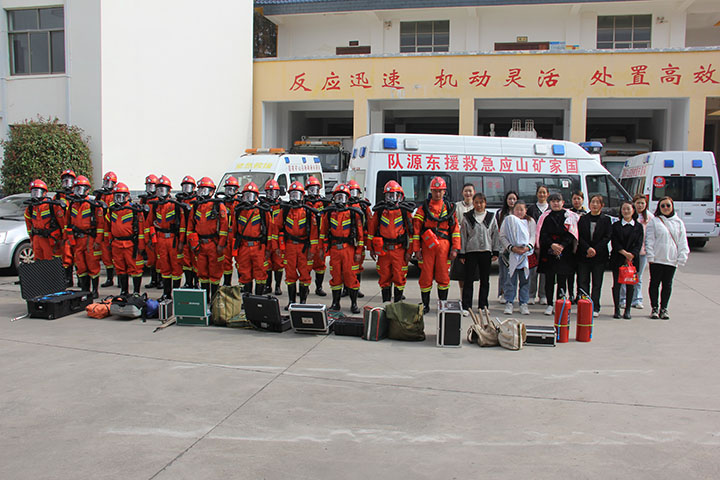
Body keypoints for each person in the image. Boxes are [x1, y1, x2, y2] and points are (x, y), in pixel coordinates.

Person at [412, 177, 461, 313]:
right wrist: (416, 249)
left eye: (440, 191)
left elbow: (455, 230)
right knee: (425, 276)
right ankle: (425, 305)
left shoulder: (449, 208)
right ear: (431, 191)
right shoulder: (423, 208)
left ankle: (443, 305)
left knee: (443, 276)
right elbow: (416, 230)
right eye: (435, 191)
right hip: (427, 246)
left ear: (444, 191)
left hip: (444, 247)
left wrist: (455, 248)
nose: (438, 193)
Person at [319, 184, 364, 314]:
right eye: (338, 197)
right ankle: (335, 303)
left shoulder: (353, 213)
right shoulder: (329, 213)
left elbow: (360, 235)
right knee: (336, 277)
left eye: (342, 197)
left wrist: (358, 251)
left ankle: (354, 304)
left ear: (347, 198)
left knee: (351, 276)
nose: (340, 200)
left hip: (349, 249)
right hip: (335, 249)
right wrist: (322, 249)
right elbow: (323, 232)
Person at [368, 181, 415, 303]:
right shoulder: (379, 211)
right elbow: (371, 231)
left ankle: (398, 305)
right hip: (383, 250)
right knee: (384, 277)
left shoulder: (405, 211)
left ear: (401, 196)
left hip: (399, 250)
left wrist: (409, 252)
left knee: (399, 277)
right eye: (389, 196)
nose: (392, 199)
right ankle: (386, 304)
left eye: (395, 196)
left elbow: (411, 234)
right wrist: (371, 248)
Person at [274, 181, 319, 309]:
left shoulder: (308, 212)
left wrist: (312, 250)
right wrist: (276, 247)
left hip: (304, 248)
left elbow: (314, 234)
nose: (294, 198)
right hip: (289, 247)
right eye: (292, 195)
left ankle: (303, 302)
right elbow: (275, 228)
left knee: (305, 275)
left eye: (297, 195)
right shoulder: (285, 211)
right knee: (290, 274)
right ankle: (291, 301)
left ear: (302, 196)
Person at [184, 177, 229, 304]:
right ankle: (205, 299)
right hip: (200, 244)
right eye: (201, 190)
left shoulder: (218, 206)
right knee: (202, 272)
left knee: (215, 272)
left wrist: (221, 244)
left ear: (212, 191)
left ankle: (214, 299)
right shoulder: (196, 206)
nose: (203, 193)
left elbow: (224, 227)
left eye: (205, 190)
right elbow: (190, 225)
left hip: (214, 244)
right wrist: (192, 243)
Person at [645, 196, 689, 320]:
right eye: (662, 206)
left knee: (667, 284)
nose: (665, 208)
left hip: (671, 259)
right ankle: (654, 307)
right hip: (657, 258)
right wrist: (650, 255)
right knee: (654, 283)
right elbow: (649, 240)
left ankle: (664, 308)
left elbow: (682, 241)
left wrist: (682, 256)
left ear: (672, 206)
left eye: (668, 205)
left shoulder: (678, 222)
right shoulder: (655, 221)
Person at [536, 193, 579, 316]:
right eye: (553, 201)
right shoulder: (545, 217)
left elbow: (571, 233)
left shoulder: (569, 216)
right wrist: (552, 245)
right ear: (549, 203)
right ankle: (550, 304)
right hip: (549, 251)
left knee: (562, 279)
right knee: (549, 280)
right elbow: (542, 234)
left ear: (563, 202)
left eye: (558, 201)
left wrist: (562, 246)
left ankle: (560, 303)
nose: (555, 203)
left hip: (565, 252)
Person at [64, 175, 105, 298]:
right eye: (76, 189)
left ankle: (94, 290)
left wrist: (98, 240)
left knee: (93, 265)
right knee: (80, 266)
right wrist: (69, 239)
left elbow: (101, 224)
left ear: (87, 190)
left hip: (90, 240)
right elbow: (67, 223)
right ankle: (84, 290)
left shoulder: (93, 205)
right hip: (77, 240)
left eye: (81, 189)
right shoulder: (72, 205)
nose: (78, 192)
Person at [459, 192, 499, 312]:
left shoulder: (491, 217)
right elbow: (463, 236)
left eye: (481, 202)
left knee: (485, 280)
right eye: (476, 202)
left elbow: (495, 235)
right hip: (471, 252)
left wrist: (495, 251)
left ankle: (483, 305)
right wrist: (462, 253)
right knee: (468, 280)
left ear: (485, 203)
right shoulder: (467, 217)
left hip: (486, 251)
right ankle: (466, 306)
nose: (479, 205)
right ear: (473, 203)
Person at [148, 176, 185, 300]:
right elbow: (149, 223)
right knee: (164, 266)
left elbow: (182, 226)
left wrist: (181, 241)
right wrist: (151, 239)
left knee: (176, 267)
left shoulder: (175, 205)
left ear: (169, 191)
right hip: (161, 240)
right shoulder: (155, 206)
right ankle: (166, 293)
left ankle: (176, 294)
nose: (160, 192)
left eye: (163, 189)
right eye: (158, 189)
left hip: (173, 240)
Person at [233, 182, 273, 295]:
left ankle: (258, 298)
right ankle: (247, 298)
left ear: (256, 197)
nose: (248, 199)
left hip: (258, 247)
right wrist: (235, 249)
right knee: (245, 273)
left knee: (260, 273)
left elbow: (270, 231)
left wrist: (268, 249)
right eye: (246, 196)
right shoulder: (239, 211)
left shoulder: (262, 211)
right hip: (243, 246)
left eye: (251, 196)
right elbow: (234, 231)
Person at [106, 183, 146, 295]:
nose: (118, 199)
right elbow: (108, 227)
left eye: (121, 196)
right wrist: (109, 242)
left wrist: (141, 245)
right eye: (116, 196)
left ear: (127, 196)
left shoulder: (134, 210)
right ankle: (124, 291)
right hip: (116, 243)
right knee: (120, 268)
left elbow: (141, 229)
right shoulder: (112, 210)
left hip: (131, 244)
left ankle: (136, 292)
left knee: (136, 269)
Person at [576, 194, 612, 317]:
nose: (595, 205)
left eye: (597, 202)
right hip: (584, 255)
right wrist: (588, 248)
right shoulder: (583, 219)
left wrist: (595, 249)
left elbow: (607, 237)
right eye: (592, 202)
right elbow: (579, 236)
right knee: (583, 282)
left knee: (597, 283)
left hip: (599, 256)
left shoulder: (606, 220)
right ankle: (584, 305)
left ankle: (595, 306)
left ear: (602, 205)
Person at [499, 200, 535, 315]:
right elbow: (502, 236)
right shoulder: (508, 220)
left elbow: (533, 236)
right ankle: (509, 302)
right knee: (510, 280)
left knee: (525, 280)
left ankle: (523, 303)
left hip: (526, 255)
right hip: (512, 254)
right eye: (517, 209)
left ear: (525, 210)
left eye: (521, 209)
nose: (519, 212)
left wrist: (527, 248)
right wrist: (511, 248)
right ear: (513, 210)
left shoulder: (530, 221)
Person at [610, 201, 644, 319]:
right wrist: (624, 253)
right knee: (617, 284)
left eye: (628, 209)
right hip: (618, 258)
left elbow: (639, 243)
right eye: (623, 209)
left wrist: (632, 254)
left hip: (632, 260)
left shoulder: (638, 227)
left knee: (630, 285)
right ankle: (617, 309)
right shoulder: (616, 225)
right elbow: (614, 242)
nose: (626, 211)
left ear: (633, 210)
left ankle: (628, 310)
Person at [620, 194, 654, 309]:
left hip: (641, 252)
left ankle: (637, 299)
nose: (640, 205)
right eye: (638, 203)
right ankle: (623, 298)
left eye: (642, 203)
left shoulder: (649, 217)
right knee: (625, 275)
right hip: (627, 252)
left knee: (637, 277)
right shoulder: (630, 216)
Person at [24, 179, 65, 261]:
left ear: (44, 193)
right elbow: (28, 224)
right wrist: (31, 239)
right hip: (37, 239)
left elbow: (63, 223)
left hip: (49, 239)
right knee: (38, 262)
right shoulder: (31, 208)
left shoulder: (52, 206)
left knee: (50, 261)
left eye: (37, 192)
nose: (35, 195)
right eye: (33, 192)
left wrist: (64, 239)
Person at [347, 179, 371, 299]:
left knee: (357, 266)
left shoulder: (363, 206)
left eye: (355, 192)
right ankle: (346, 288)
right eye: (351, 192)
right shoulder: (342, 206)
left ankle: (357, 288)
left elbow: (370, 223)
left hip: (359, 240)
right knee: (345, 267)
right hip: (347, 241)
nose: (353, 195)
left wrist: (369, 242)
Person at [449, 183, 475, 292]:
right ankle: (462, 293)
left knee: (471, 271)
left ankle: (468, 295)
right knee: (461, 271)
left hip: (473, 244)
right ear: (462, 193)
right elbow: (453, 223)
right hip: (460, 242)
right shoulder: (457, 206)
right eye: (466, 191)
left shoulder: (476, 206)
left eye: (470, 191)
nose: (468, 193)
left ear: (474, 192)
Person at [305, 176, 328, 297]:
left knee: (320, 265)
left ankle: (319, 287)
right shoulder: (303, 203)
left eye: (315, 189)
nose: (313, 192)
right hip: (307, 240)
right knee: (306, 265)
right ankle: (305, 287)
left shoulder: (324, 203)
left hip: (320, 239)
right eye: (310, 189)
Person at [527, 184, 549, 305]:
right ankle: (531, 295)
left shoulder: (550, 209)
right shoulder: (531, 209)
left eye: (544, 192)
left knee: (545, 271)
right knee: (533, 271)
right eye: (540, 192)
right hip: (533, 245)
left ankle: (543, 295)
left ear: (547, 194)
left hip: (546, 245)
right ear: (536, 194)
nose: (542, 194)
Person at [95, 172, 118, 288]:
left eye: (109, 183)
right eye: (106, 182)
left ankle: (120, 280)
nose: (107, 185)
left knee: (117, 257)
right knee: (106, 256)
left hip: (113, 227)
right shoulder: (100, 195)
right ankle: (109, 279)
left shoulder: (116, 194)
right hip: (102, 227)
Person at [261, 179, 284, 296]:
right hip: (265, 238)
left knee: (278, 263)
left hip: (278, 240)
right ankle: (267, 285)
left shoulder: (282, 206)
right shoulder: (262, 206)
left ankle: (278, 286)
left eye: (274, 192)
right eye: (269, 192)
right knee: (267, 263)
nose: (271, 195)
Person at [54, 169, 77, 286]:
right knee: (65, 256)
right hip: (62, 233)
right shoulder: (58, 196)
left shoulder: (77, 196)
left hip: (75, 232)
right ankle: (68, 279)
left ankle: (81, 280)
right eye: (65, 180)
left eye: (70, 180)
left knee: (78, 256)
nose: (67, 182)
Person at [176, 176, 199, 289]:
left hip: (195, 234)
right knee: (186, 260)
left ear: (194, 188)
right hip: (183, 234)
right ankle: (188, 282)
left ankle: (197, 282)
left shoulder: (197, 201)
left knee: (196, 260)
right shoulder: (179, 201)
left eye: (188, 186)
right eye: (184, 186)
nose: (186, 189)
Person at [138, 175, 161, 289]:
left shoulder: (158, 200)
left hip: (156, 233)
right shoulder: (144, 200)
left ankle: (160, 280)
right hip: (146, 232)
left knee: (159, 258)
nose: (150, 188)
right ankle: (154, 279)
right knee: (151, 258)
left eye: (152, 186)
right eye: (148, 186)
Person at [495, 190, 518, 304]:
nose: (512, 201)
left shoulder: (519, 212)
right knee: (503, 272)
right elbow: (497, 229)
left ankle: (512, 294)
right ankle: (503, 293)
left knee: (513, 272)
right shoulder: (500, 213)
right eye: (510, 199)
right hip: (503, 246)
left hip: (516, 247)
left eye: (514, 199)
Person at [221, 176, 240, 286]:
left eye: (232, 189)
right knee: (226, 261)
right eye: (227, 189)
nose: (229, 192)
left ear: (237, 190)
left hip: (237, 237)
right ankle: (227, 283)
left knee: (241, 261)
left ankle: (242, 284)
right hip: (226, 235)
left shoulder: (240, 203)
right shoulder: (222, 203)